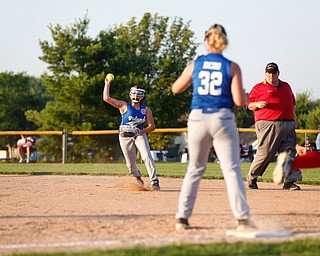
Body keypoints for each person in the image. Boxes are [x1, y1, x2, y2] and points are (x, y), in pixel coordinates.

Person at [172, 24, 252, 231]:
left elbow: (175, 88)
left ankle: (182, 217)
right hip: (223, 118)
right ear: (224, 41)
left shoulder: (196, 64)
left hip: (198, 117)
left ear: (206, 40)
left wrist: (195, 80)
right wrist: (247, 96)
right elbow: (239, 100)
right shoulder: (231, 66)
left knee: (195, 169)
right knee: (232, 170)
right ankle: (242, 219)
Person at [246, 62, 302, 190]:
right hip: (268, 124)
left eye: (273, 72)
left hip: (288, 123)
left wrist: (294, 119)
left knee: (289, 152)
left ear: (278, 73)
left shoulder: (286, 86)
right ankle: (252, 177)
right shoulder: (259, 87)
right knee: (266, 153)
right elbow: (249, 105)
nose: (271, 75)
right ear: (265, 74)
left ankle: (289, 181)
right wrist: (258, 104)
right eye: (269, 73)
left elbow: (291, 103)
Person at [103, 77, 160, 191]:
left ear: (143, 95)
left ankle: (154, 181)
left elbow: (152, 127)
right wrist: (107, 84)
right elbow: (106, 98)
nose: (136, 95)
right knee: (130, 164)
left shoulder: (145, 109)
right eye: (134, 92)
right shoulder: (125, 106)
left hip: (139, 134)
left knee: (146, 156)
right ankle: (137, 176)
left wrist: (140, 131)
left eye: (139, 93)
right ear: (130, 94)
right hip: (125, 136)